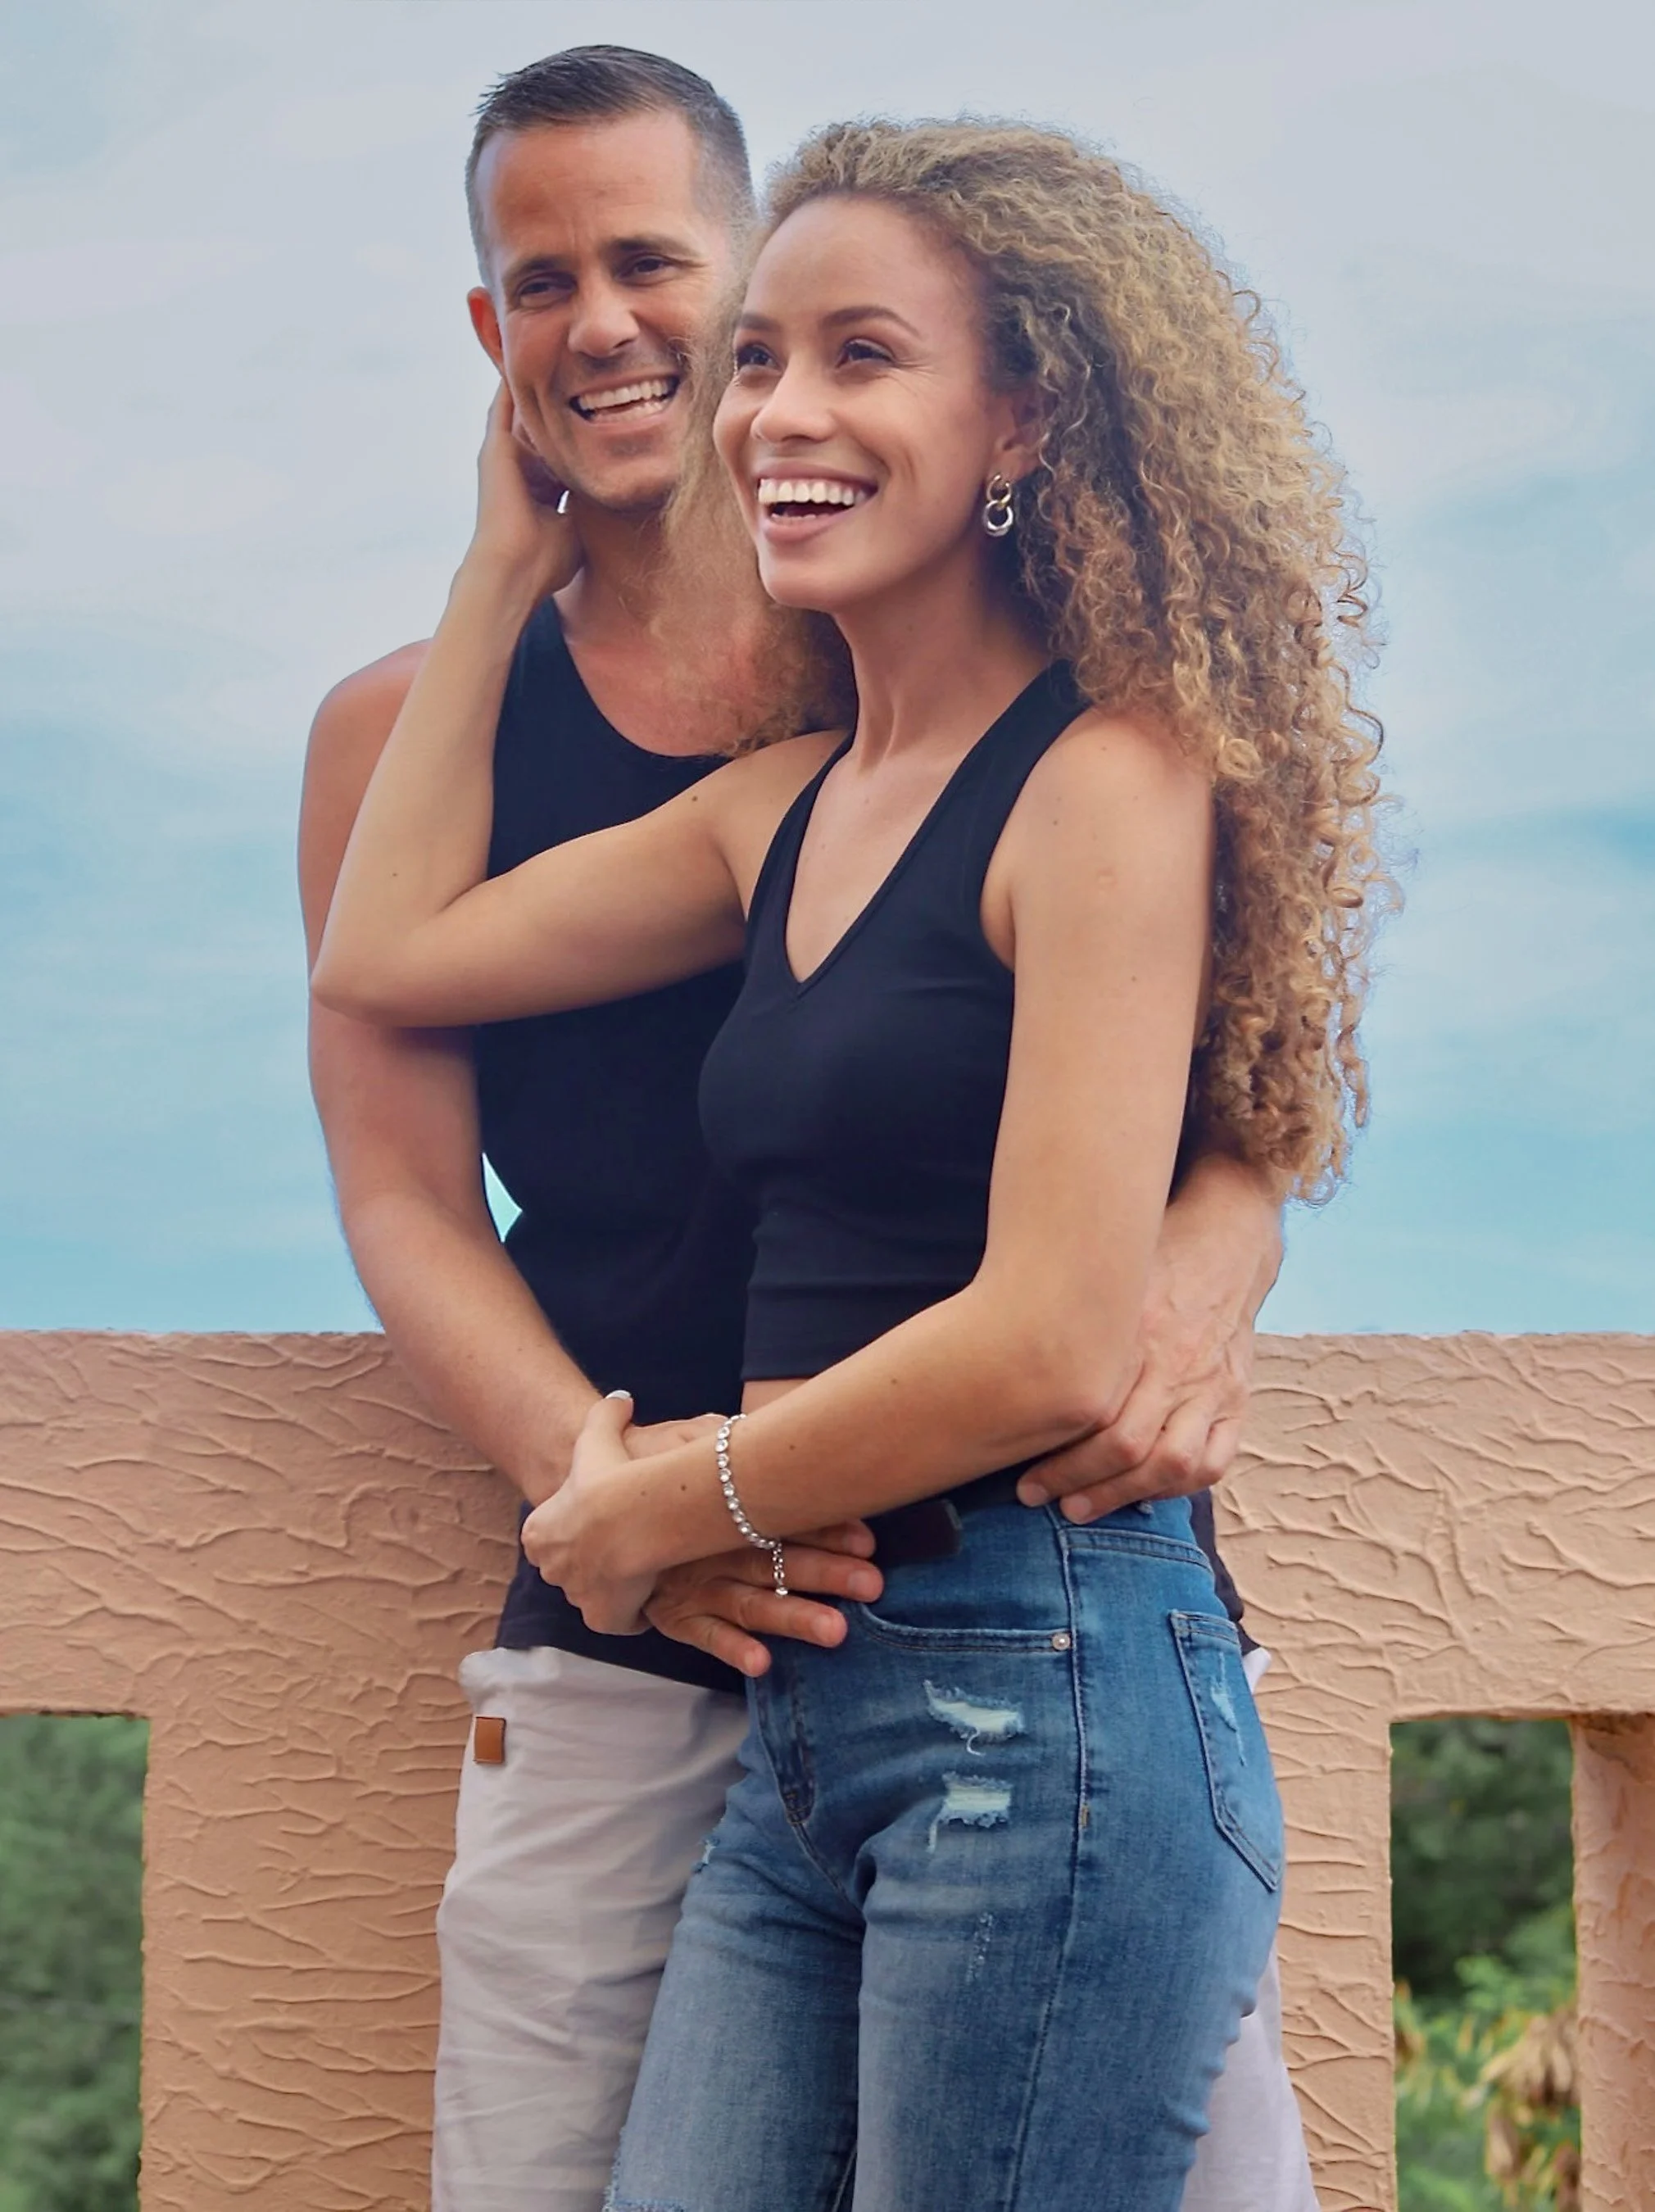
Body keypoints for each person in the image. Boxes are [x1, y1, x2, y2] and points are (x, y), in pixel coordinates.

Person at [312, 100, 1390, 2210]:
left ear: (1022, 417)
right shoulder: (782, 793)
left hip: (1020, 1630)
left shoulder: (1092, 765)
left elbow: (1135, 1221)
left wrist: (660, 1498)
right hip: (747, 1671)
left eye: (848, 352)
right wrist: (502, 562)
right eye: (767, 365)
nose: (768, 405)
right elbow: (388, 1001)